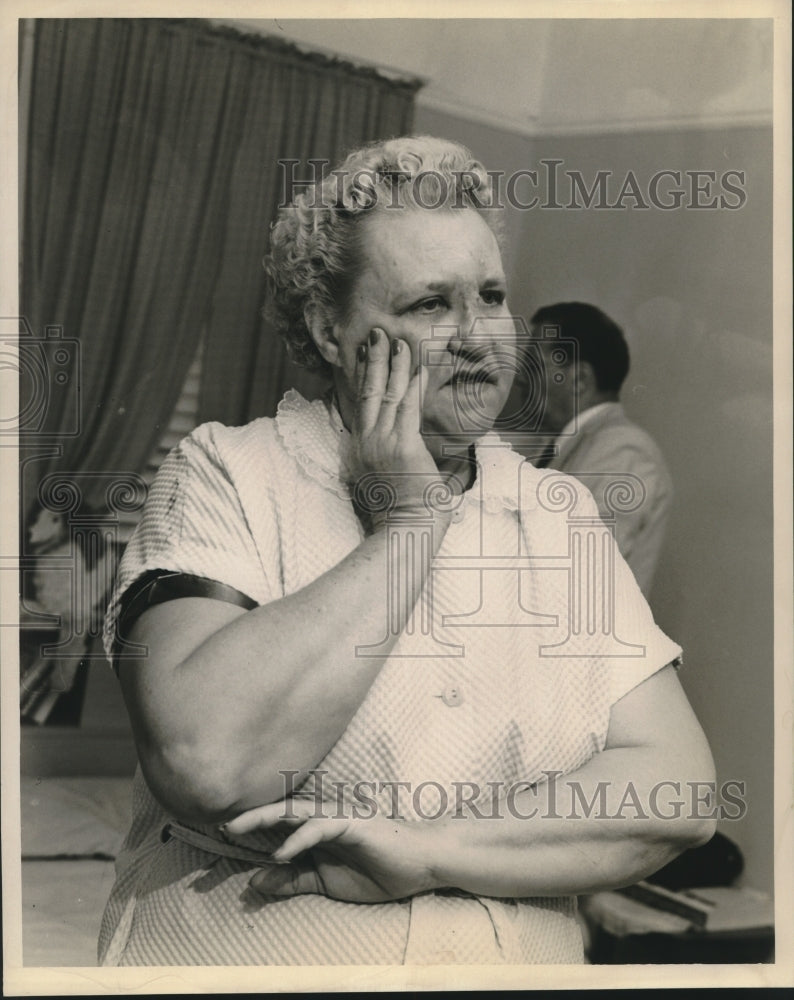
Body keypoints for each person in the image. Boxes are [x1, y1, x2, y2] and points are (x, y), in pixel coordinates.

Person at [99, 137, 714, 966]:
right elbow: (205, 760)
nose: (477, 337)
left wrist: (426, 852)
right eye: (431, 304)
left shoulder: (556, 512)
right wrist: (411, 526)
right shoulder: (227, 470)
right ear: (329, 329)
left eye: (491, 297)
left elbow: (679, 793)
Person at [528, 302, 673, 596]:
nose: (519, 378)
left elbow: (579, 582)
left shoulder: (624, 450)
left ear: (579, 379)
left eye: (533, 366)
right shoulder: (571, 446)